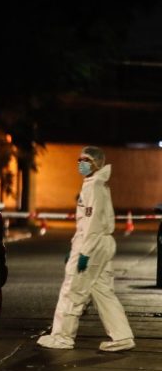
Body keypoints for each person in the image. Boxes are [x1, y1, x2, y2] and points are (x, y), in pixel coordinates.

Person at [37, 146, 135, 352]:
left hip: (93, 244)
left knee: (73, 290)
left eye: (87, 160)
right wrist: (76, 245)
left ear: (97, 163)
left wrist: (84, 252)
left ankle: (63, 337)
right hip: (98, 244)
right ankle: (122, 336)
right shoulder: (95, 185)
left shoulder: (94, 188)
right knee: (103, 292)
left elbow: (91, 225)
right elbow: (87, 224)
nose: (81, 163)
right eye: (79, 160)